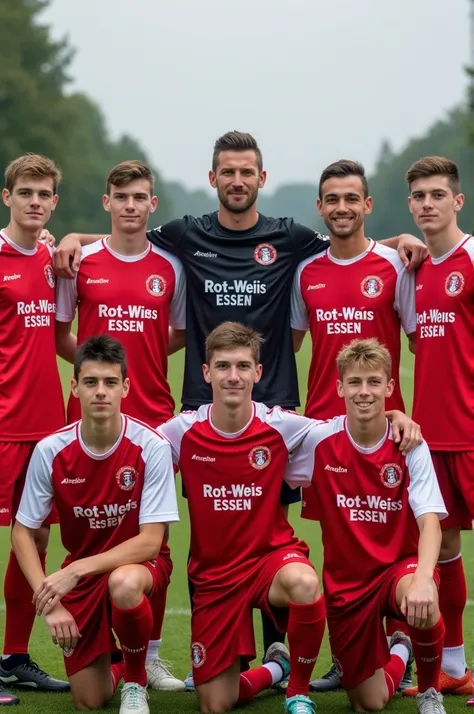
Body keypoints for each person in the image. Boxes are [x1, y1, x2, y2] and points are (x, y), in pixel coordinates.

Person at [53, 130, 427, 690]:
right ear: (213, 179)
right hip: (202, 407)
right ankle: (153, 650)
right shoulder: (186, 234)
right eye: (227, 171)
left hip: (274, 408)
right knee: (198, 525)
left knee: (276, 528)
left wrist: (401, 238)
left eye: (246, 171)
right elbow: (123, 231)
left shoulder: (292, 239)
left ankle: (286, 648)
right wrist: (71, 239)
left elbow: (347, 237)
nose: (236, 180)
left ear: (261, 178)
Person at [157, 322, 421, 714]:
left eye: (244, 367)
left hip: (270, 559)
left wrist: (396, 413)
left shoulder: (282, 425)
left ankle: (299, 690)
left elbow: (348, 427)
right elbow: (136, 448)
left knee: (303, 582)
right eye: (224, 366)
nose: (234, 376)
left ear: (258, 373)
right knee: (216, 704)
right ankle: (276, 668)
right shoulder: (180, 432)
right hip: (214, 577)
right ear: (206, 372)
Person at [55, 160, 186, 691]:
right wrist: (94, 375)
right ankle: (102, 643)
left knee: (155, 537)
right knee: (90, 522)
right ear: (106, 203)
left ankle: (148, 657)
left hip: (153, 414)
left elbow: (175, 333)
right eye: (121, 197)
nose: (131, 206)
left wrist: (141, 361)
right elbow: (62, 334)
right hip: (89, 417)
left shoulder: (172, 267)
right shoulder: (80, 260)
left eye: (140, 198)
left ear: (152, 206)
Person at [290, 159, 416, 692]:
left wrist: (411, 415)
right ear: (320, 209)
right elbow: (292, 346)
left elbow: (420, 341)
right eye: (332, 200)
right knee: (339, 546)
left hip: (387, 430)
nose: (341, 208)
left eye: (351, 199)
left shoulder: (395, 265)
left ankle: (402, 644)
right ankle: (348, 658)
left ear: (367, 205)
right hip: (326, 432)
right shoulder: (306, 272)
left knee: (393, 539)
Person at [11, 335, 179, 714]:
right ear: (75, 386)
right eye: (90, 382)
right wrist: (49, 602)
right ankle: (119, 663)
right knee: (89, 700)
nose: (100, 392)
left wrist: (74, 572)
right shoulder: (51, 450)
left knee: (123, 583)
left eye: (109, 382)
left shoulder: (150, 446)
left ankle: (136, 681)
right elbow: (22, 531)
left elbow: (151, 542)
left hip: (140, 568)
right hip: (83, 574)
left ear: (125, 387)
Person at [286, 338, 448, 714]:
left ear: (390, 387)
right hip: (348, 585)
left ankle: (429, 692)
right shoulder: (318, 440)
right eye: (355, 382)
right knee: (368, 703)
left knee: (422, 598)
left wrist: (424, 577)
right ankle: (400, 651)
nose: (364, 392)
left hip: (398, 570)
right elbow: (265, 447)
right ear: (339, 387)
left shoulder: (410, 445)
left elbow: (430, 522)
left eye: (374, 382)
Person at [0, 154, 69, 705]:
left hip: (43, 428)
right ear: (8, 198)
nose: (34, 201)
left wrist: (64, 237)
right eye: (25, 192)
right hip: (1, 426)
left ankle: (14, 657)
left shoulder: (48, 254)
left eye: (44, 193)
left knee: (35, 540)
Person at [404, 156, 474, 700]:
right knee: (444, 547)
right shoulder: (418, 268)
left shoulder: (472, 258)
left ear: (458, 200)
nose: (428, 203)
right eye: (419, 196)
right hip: (433, 439)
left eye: (437, 194)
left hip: (472, 436)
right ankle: (454, 666)